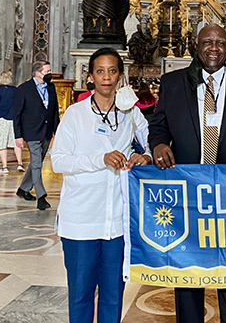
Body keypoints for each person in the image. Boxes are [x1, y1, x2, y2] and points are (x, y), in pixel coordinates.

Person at [149, 23, 226, 323]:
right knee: (189, 270)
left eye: (220, 42)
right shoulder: (173, 83)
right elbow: (158, 124)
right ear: (196, 45)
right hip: (189, 192)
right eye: (207, 42)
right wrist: (160, 144)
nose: (213, 48)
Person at [50, 48, 152, 323]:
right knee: (81, 295)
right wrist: (101, 159)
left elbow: (153, 141)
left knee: (113, 295)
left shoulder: (130, 113)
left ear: (120, 75)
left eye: (112, 71)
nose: (106, 77)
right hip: (81, 219)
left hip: (116, 221)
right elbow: (58, 161)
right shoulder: (75, 114)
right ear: (90, 76)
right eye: (100, 71)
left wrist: (145, 156)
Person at [13, 60, 59, 210]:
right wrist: (18, 136)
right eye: (47, 71)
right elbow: (17, 114)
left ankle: (23, 189)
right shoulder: (24, 89)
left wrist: (57, 131)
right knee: (37, 163)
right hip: (31, 131)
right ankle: (41, 196)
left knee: (35, 163)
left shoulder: (51, 88)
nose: (49, 74)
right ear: (38, 73)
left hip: (46, 131)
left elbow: (54, 111)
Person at [0, 70, 25, 175]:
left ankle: (5, 167)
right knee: (16, 142)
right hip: (13, 119)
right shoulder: (15, 90)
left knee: (2, 143)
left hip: (1, 118)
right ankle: (20, 164)